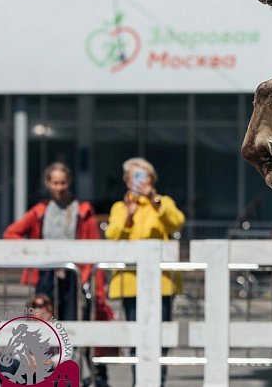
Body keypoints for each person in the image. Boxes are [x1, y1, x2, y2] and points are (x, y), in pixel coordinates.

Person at [105, 157, 185, 386]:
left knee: (161, 336)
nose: (139, 181)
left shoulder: (163, 201)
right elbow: (112, 235)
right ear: (127, 181)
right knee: (135, 336)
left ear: (152, 179)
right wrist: (129, 216)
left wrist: (155, 201)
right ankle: (137, 381)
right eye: (134, 176)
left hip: (162, 282)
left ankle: (158, 381)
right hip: (130, 282)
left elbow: (177, 222)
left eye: (144, 176)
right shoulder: (119, 207)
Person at [4, 163, 103, 322]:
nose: (59, 187)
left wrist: (92, 279)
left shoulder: (83, 211)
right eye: (55, 183)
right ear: (48, 184)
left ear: (69, 182)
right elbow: (11, 233)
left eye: (63, 182)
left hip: (74, 275)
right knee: (43, 322)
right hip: (46, 274)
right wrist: (33, 250)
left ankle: (70, 348)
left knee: (71, 321)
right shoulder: (39, 210)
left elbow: (95, 245)